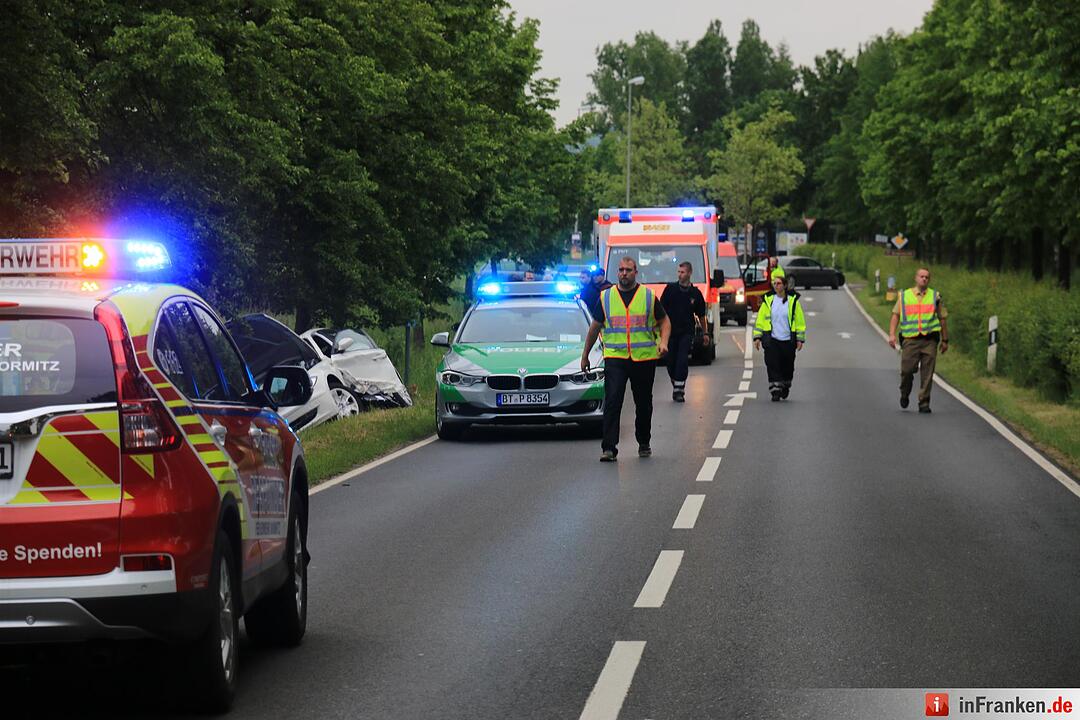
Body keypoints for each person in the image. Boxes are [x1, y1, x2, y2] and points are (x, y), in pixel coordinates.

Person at [581, 256, 670, 461]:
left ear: (635, 272)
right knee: (612, 401)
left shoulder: (648, 296)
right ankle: (609, 448)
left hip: (644, 358)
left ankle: (644, 441)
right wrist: (585, 355)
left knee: (643, 403)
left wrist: (663, 342)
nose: (624, 273)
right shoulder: (605, 297)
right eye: (621, 270)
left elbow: (665, 321)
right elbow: (595, 327)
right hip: (616, 357)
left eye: (628, 270)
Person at [888, 267, 949, 413]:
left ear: (929, 280)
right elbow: (895, 315)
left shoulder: (935, 296)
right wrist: (892, 334)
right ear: (916, 278)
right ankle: (905, 393)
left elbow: (942, 319)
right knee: (907, 371)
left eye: (927, 277)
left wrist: (945, 340)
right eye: (921, 276)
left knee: (928, 372)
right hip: (910, 340)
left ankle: (924, 402)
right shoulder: (905, 296)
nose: (924, 279)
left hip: (929, 340)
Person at [660, 261, 708, 402]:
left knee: (682, 360)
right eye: (679, 272)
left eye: (683, 272)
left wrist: (705, 334)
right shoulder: (670, 289)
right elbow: (661, 312)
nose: (680, 275)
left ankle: (679, 391)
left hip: (687, 332)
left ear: (689, 273)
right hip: (669, 333)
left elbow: (701, 316)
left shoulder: (696, 294)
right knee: (670, 362)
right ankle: (676, 382)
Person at [753, 274, 806, 401]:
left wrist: (800, 339)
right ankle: (775, 389)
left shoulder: (793, 302)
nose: (775, 286)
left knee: (787, 366)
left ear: (785, 286)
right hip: (772, 340)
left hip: (788, 340)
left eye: (778, 283)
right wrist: (757, 337)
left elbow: (799, 321)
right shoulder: (768, 300)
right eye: (774, 283)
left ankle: (785, 385)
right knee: (772, 364)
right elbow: (761, 319)